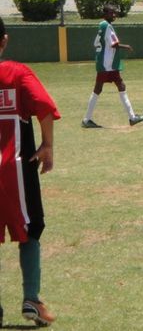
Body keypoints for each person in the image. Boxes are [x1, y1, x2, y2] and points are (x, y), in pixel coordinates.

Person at [0, 17, 59, 327]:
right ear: (4, 41)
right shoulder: (15, 73)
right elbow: (45, 108)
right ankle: (31, 298)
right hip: (14, 168)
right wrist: (47, 145)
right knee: (31, 228)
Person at [82, 4, 143, 129]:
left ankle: (132, 117)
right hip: (108, 64)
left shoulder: (101, 25)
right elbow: (114, 44)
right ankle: (86, 120)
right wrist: (126, 46)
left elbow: (96, 43)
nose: (114, 15)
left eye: (114, 13)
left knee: (118, 85)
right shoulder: (107, 26)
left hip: (105, 63)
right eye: (112, 13)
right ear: (105, 14)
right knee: (99, 89)